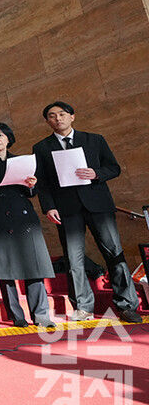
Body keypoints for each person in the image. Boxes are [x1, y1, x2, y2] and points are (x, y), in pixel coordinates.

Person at [32, 102, 142, 324]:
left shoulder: (95, 140)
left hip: (98, 205)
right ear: (47, 122)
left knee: (114, 253)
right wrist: (48, 206)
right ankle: (83, 307)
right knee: (74, 259)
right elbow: (41, 182)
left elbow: (114, 168)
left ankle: (127, 305)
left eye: (62, 114)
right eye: (52, 116)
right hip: (66, 209)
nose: (58, 119)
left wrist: (96, 173)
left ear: (72, 116)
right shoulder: (41, 148)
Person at [0, 122, 55, 328]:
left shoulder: (22, 161)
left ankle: (42, 315)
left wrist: (32, 186)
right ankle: (16, 315)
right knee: (5, 269)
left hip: (24, 218)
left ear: (9, 138)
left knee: (34, 267)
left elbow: (30, 193)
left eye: (0, 135)